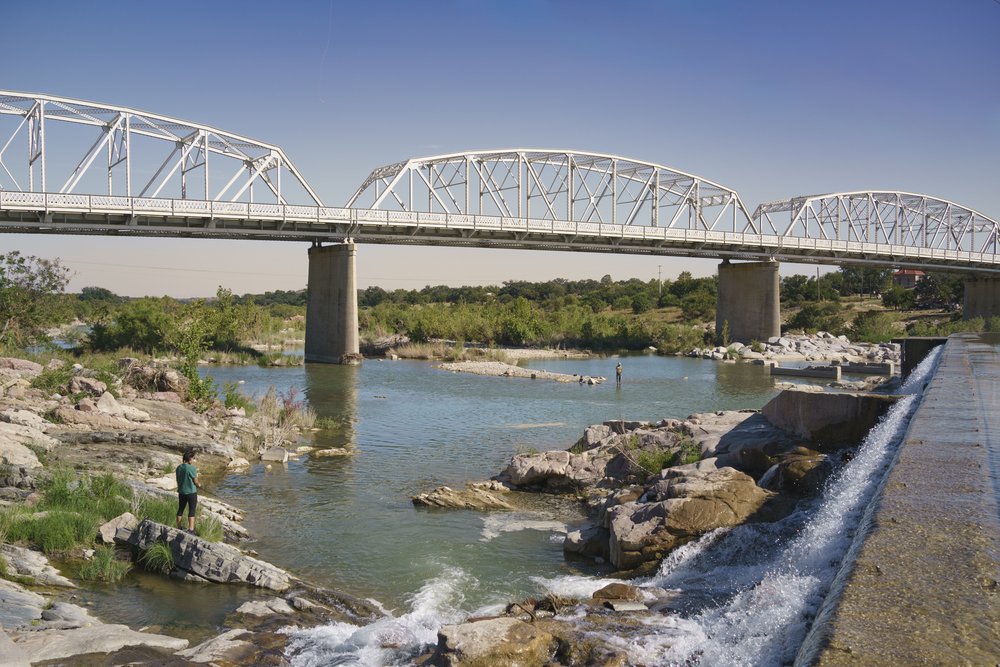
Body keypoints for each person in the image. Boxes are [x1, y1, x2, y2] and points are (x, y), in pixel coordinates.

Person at [175, 449, 201, 534]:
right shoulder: (192, 468)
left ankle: (178, 527)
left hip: (181, 492)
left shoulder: (179, 467)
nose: (194, 460)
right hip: (191, 493)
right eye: (193, 458)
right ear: (189, 458)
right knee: (192, 510)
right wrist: (199, 485)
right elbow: (196, 481)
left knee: (180, 509)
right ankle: (191, 529)